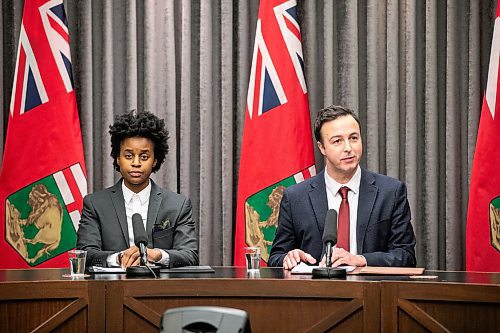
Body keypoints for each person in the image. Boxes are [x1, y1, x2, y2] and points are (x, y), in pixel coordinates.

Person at [268, 105, 416, 269]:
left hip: (370, 291)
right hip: (316, 292)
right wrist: (289, 258)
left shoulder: (390, 192)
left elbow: (406, 256)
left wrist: (360, 260)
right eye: (337, 141)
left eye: (353, 138)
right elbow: (275, 257)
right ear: (322, 147)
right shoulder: (295, 197)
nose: (348, 148)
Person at [77, 110, 198, 268]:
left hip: (160, 290)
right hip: (112, 290)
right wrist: (119, 258)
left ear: (155, 160)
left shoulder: (178, 205)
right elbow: (85, 253)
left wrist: (157, 255)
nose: (136, 163)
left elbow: (190, 255)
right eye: (128, 156)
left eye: (144, 156)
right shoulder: (95, 204)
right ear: (117, 158)